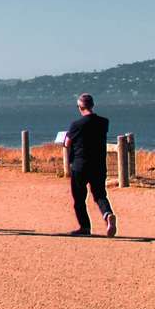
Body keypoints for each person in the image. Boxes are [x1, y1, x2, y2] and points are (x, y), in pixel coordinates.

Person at [65, 93, 116, 237]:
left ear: (80, 107)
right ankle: (107, 214)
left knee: (79, 198)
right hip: (98, 164)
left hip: (80, 165)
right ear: (92, 105)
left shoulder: (76, 125)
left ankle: (85, 227)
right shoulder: (104, 122)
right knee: (100, 194)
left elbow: (67, 143)